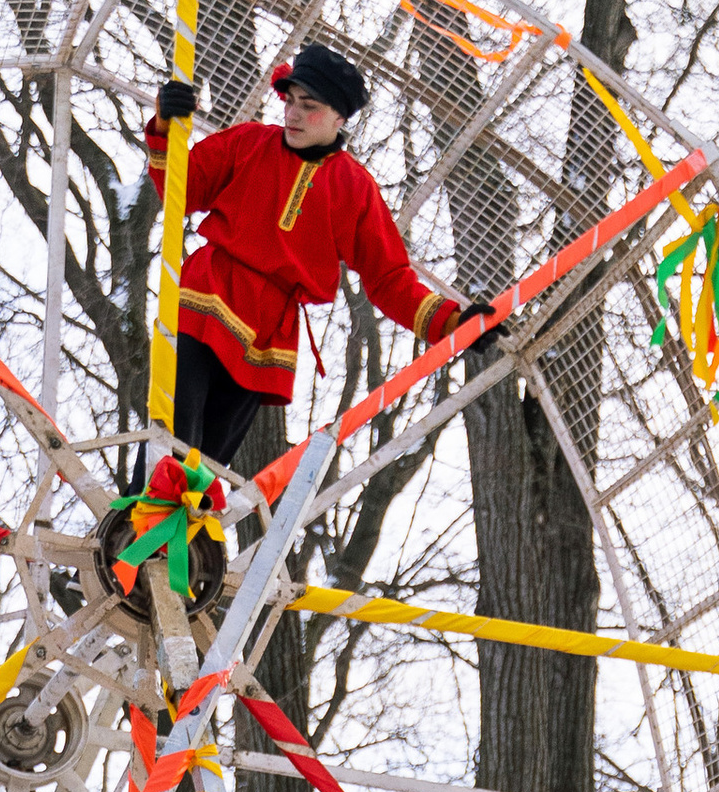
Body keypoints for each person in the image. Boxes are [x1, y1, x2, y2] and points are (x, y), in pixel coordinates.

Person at [141, 40, 477, 472]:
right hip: (204, 298)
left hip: (265, 334)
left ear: (339, 118)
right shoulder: (248, 141)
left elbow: (389, 279)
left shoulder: (355, 188)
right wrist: (166, 124)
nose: (294, 114)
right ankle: (140, 523)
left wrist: (452, 322)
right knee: (169, 442)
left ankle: (181, 535)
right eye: (291, 101)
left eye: (310, 106)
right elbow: (179, 192)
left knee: (206, 469)